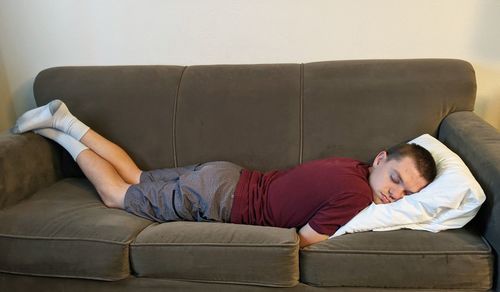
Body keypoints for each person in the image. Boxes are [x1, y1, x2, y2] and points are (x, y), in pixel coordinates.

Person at [11, 100, 437, 247]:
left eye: (408, 193)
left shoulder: (352, 165)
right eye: (397, 179)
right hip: (218, 199)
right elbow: (305, 241)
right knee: (116, 196)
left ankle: (63, 118)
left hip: (225, 176)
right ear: (381, 159)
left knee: (138, 176)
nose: (395, 195)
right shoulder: (356, 196)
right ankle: (59, 131)